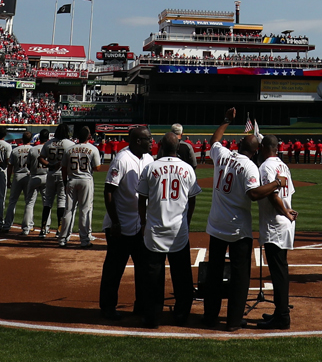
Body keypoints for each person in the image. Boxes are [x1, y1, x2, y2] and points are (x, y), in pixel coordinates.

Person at [203, 108, 285, 331]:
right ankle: (232, 321)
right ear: (256, 150)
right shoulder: (249, 166)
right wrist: (277, 184)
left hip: (216, 224)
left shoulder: (222, 154)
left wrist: (226, 120)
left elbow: (215, 140)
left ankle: (209, 316)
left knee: (214, 273)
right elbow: (254, 194)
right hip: (237, 228)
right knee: (240, 276)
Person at [135, 132, 200, 328]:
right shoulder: (187, 168)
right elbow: (193, 198)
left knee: (153, 277)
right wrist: (187, 221)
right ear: (178, 147)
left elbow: (142, 198)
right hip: (179, 231)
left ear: (161, 145)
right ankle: (182, 315)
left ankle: (153, 317)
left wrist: (143, 222)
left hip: (155, 230)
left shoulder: (150, 167)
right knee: (182, 276)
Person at [100, 127, 153, 319]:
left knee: (143, 269)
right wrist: (115, 222)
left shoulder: (148, 159)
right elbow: (108, 191)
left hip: (140, 225)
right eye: (148, 139)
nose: (151, 142)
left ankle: (141, 306)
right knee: (114, 270)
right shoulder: (122, 159)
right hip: (120, 226)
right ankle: (107, 307)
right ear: (138, 141)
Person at [255, 135, 297, 330]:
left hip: (276, 222)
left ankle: (282, 316)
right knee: (280, 269)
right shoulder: (283, 165)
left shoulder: (265, 167)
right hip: (284, 223)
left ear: (264, 148)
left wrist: (284, 211)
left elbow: (272, 195)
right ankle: (280, 312)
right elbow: (289, 192)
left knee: (278, 272)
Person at [59, 125, 103, 247]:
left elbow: (63, 168)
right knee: (85, 210)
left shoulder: (69, 149)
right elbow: (97, 167)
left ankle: (63, 239)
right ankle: (84, 240)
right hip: (86, 180)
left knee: (68, 210)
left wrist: (64, 181)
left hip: (71, 179)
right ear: (89, 136)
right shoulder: (93, 149)